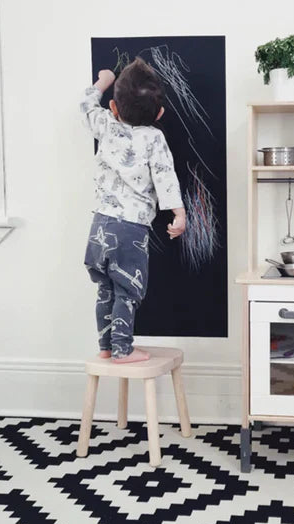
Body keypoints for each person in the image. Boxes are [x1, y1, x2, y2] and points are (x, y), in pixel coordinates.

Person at [80, 58, 185, 363]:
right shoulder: (154, 138)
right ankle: (122, 349)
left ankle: (106, 346)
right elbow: (165, 177)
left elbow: (86, 105)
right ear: (159, 113)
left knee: (105, 289)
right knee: (127, 290)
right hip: (130, 229)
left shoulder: (106, 124)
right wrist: (179, 214)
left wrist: (103, 81)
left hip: (100, 225)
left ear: (114, 107)